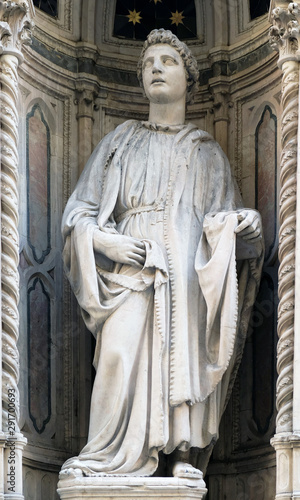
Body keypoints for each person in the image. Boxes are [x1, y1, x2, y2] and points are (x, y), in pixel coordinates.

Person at [61, 29, 263, 479]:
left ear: (189, 79)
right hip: (130, 269)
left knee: (181, 357)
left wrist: (244, 222)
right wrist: (105, 241)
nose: (155, 66)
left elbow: (227, 225)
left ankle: (181, 458)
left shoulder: (207, 152)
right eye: (149, 60)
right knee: (117, 353)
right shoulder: (118, 142)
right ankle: (104, 457)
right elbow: (78, 215)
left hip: (186, 271)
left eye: (167, 60)